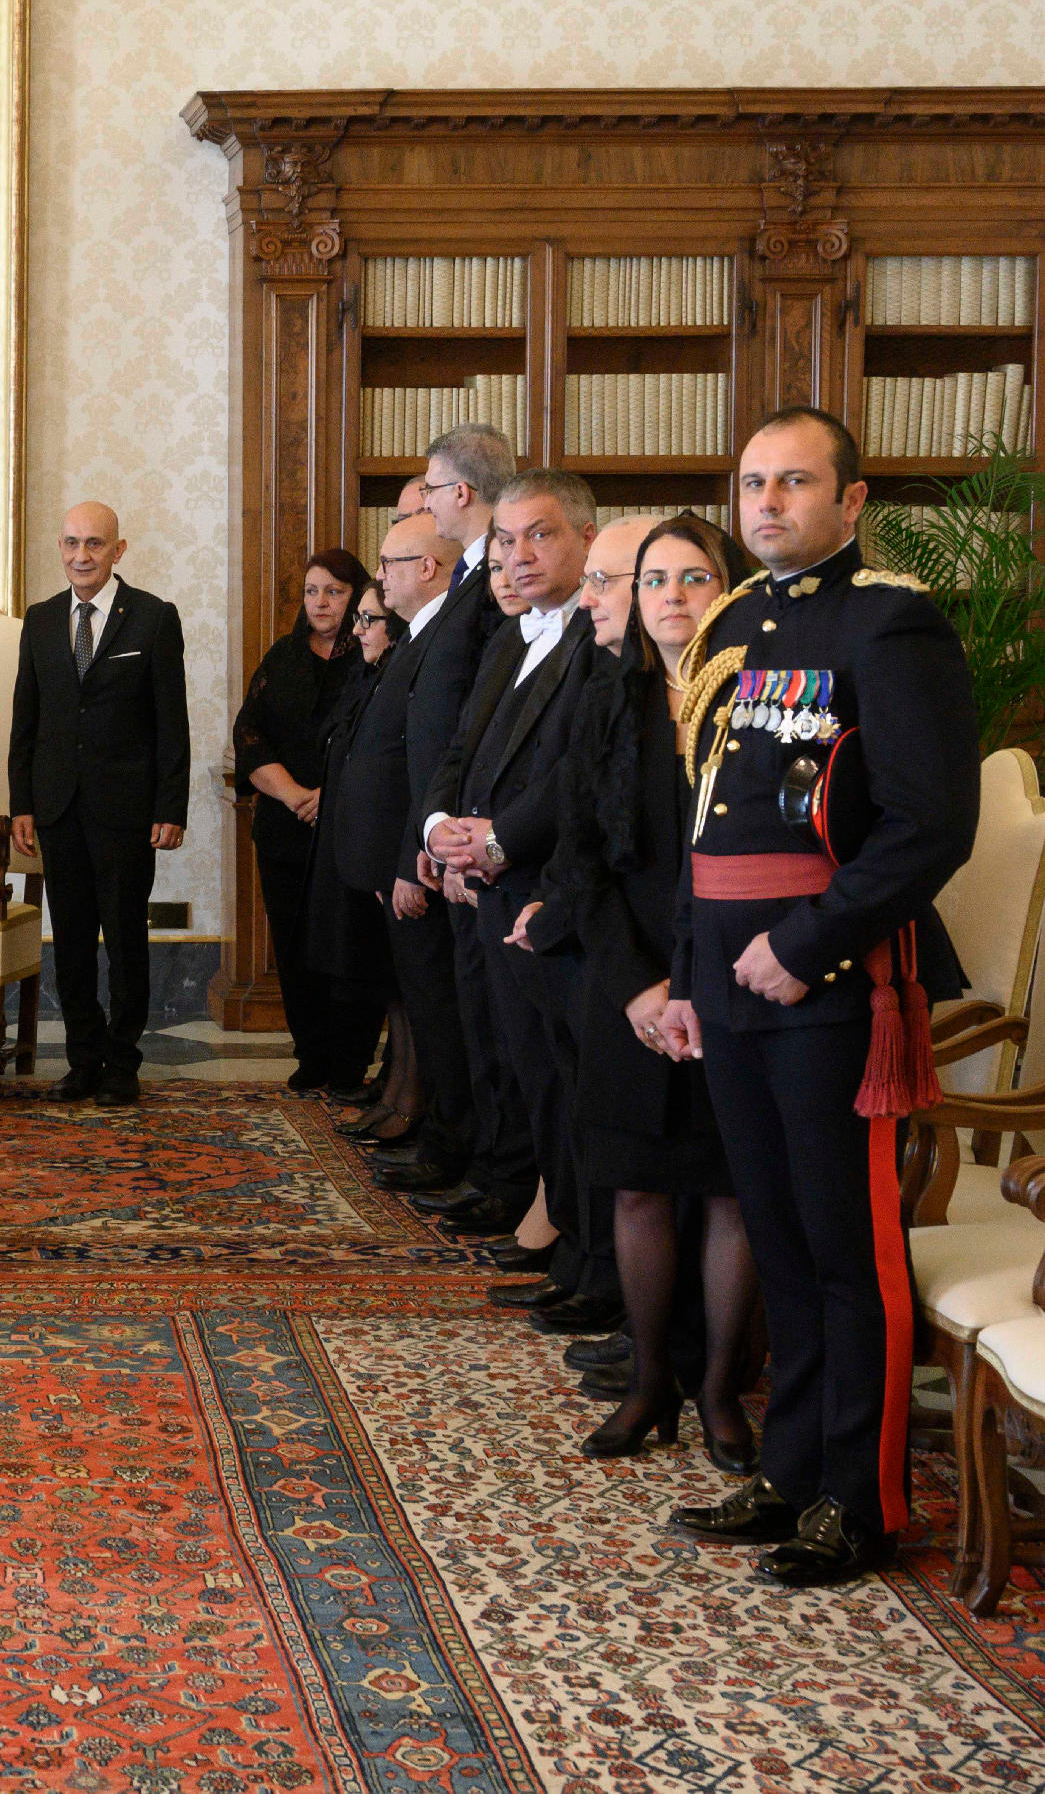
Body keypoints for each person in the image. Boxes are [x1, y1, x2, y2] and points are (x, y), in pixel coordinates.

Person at [660, 407, 978, 1589]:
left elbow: (928, 824)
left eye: (792, 483)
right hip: (727, 977)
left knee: (846, 1248)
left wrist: (805, 946)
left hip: (828, 983)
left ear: (849, 501)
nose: (766, 504)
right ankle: (791, 1472)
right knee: (779, 1239)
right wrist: (686, 973)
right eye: (752, 484)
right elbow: (702, 817)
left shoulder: (889, 621)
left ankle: (861, 1498)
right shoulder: (734, 620)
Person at [519, 512, 760, 1470]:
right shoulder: (602, 700)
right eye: (653, 580)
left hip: (735, 982)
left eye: (693, 578)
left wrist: (696, 987)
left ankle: (720, 1392)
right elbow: (580, 863)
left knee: (731, 1193)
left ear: (728, 591)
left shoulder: (760, 698)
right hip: (629, 982)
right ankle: (649, 1379)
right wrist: (637, 990)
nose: (671, 597)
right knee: (637, 1190)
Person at [419, 472, 612, 1332]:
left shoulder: (600, 638)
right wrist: (439, 829)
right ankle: (569, 1249)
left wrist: (495, 841)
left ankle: (591, 1263)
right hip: (493, 884)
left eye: (539, 535)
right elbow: (462, 749)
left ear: (585, 538)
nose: (518, 555)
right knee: (531, 1073)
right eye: (504, 539)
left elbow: (576, 774)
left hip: (550, 887)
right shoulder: (506, 637)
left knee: (571, 1085)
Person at [8, 502, 189, 1106]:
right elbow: (26, 720)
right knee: (72, 941)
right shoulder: (39, 620)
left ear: (118, 549)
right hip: (58, 808)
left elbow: (172, 723)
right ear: (59, 548)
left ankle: (122, 1063)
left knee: (126, 940)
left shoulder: (154, 618)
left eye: (94, 543)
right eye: (71, 543)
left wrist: (171, 808)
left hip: (127, 811)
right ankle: (82, 1059)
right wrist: (22, 804)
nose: (80, 556)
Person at [380, 425, 515, 1216]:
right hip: (450, 832)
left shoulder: (488, 583)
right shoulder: (469, 578)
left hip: (483, 842)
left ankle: (491, 1169)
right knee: (467, 1017)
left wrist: (454, 832)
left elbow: (481, 725)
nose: (424, 504)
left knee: (484, 1027)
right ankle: (478, 1161)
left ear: (458, 491)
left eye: (428, 489)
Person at [232, 549, 381, 1092]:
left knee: (349, 945)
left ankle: (349, 1061)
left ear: (357, 596)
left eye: (334, 592)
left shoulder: (374, 656)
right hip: (286, 829)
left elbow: (380, 745)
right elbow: (249, 737)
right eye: (312, 591)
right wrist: (296, 796)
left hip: (350, 829)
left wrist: (331, 797)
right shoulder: (282, 658)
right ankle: (312, 1054)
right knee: (294, 945)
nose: (321, 602)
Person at [306, 579, 407, 1129]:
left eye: (370, 620)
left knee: (395, 984)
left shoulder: (402, 676)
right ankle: (394, 1087)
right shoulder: (368, 677)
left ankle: (404, 1093)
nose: (359, 631)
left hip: (388, 853)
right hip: (350, 844)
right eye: (359, 620)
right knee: (378, 978)